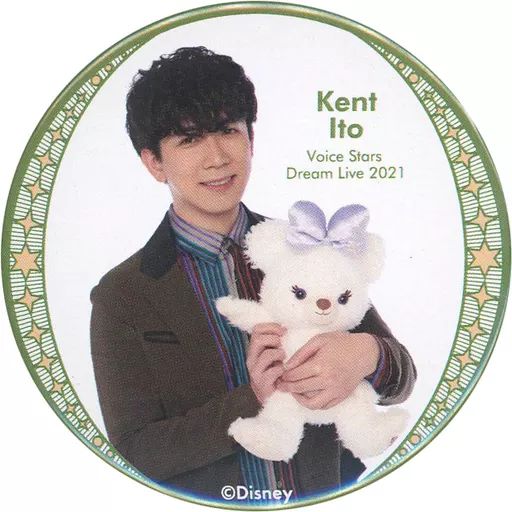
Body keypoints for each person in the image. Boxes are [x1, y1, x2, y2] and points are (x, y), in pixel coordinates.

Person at [90, 46, 416, 503]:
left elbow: (402, 376)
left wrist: (368, 353)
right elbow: (135, 451)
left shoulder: (304, 247)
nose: (217, 157)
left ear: (251, 139)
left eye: (228, 130)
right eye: (190, 139)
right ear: (154, 162)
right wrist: (252, 400)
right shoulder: (124, 293)